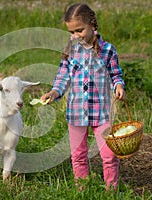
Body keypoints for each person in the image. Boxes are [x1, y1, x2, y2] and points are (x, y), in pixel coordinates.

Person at [41, 3, 126, 190]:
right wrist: (54, 92)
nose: (75, 36)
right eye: (72, 32)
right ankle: (83, 189)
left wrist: (118, 86)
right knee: (78, 155)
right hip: (76, 112)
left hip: (101, 112)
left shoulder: (107, 50)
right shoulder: (71, 51)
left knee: (109, 155)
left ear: (92, 25)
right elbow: (62, 78)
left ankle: (111, 190)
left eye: (79, 30)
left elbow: (115, 74)